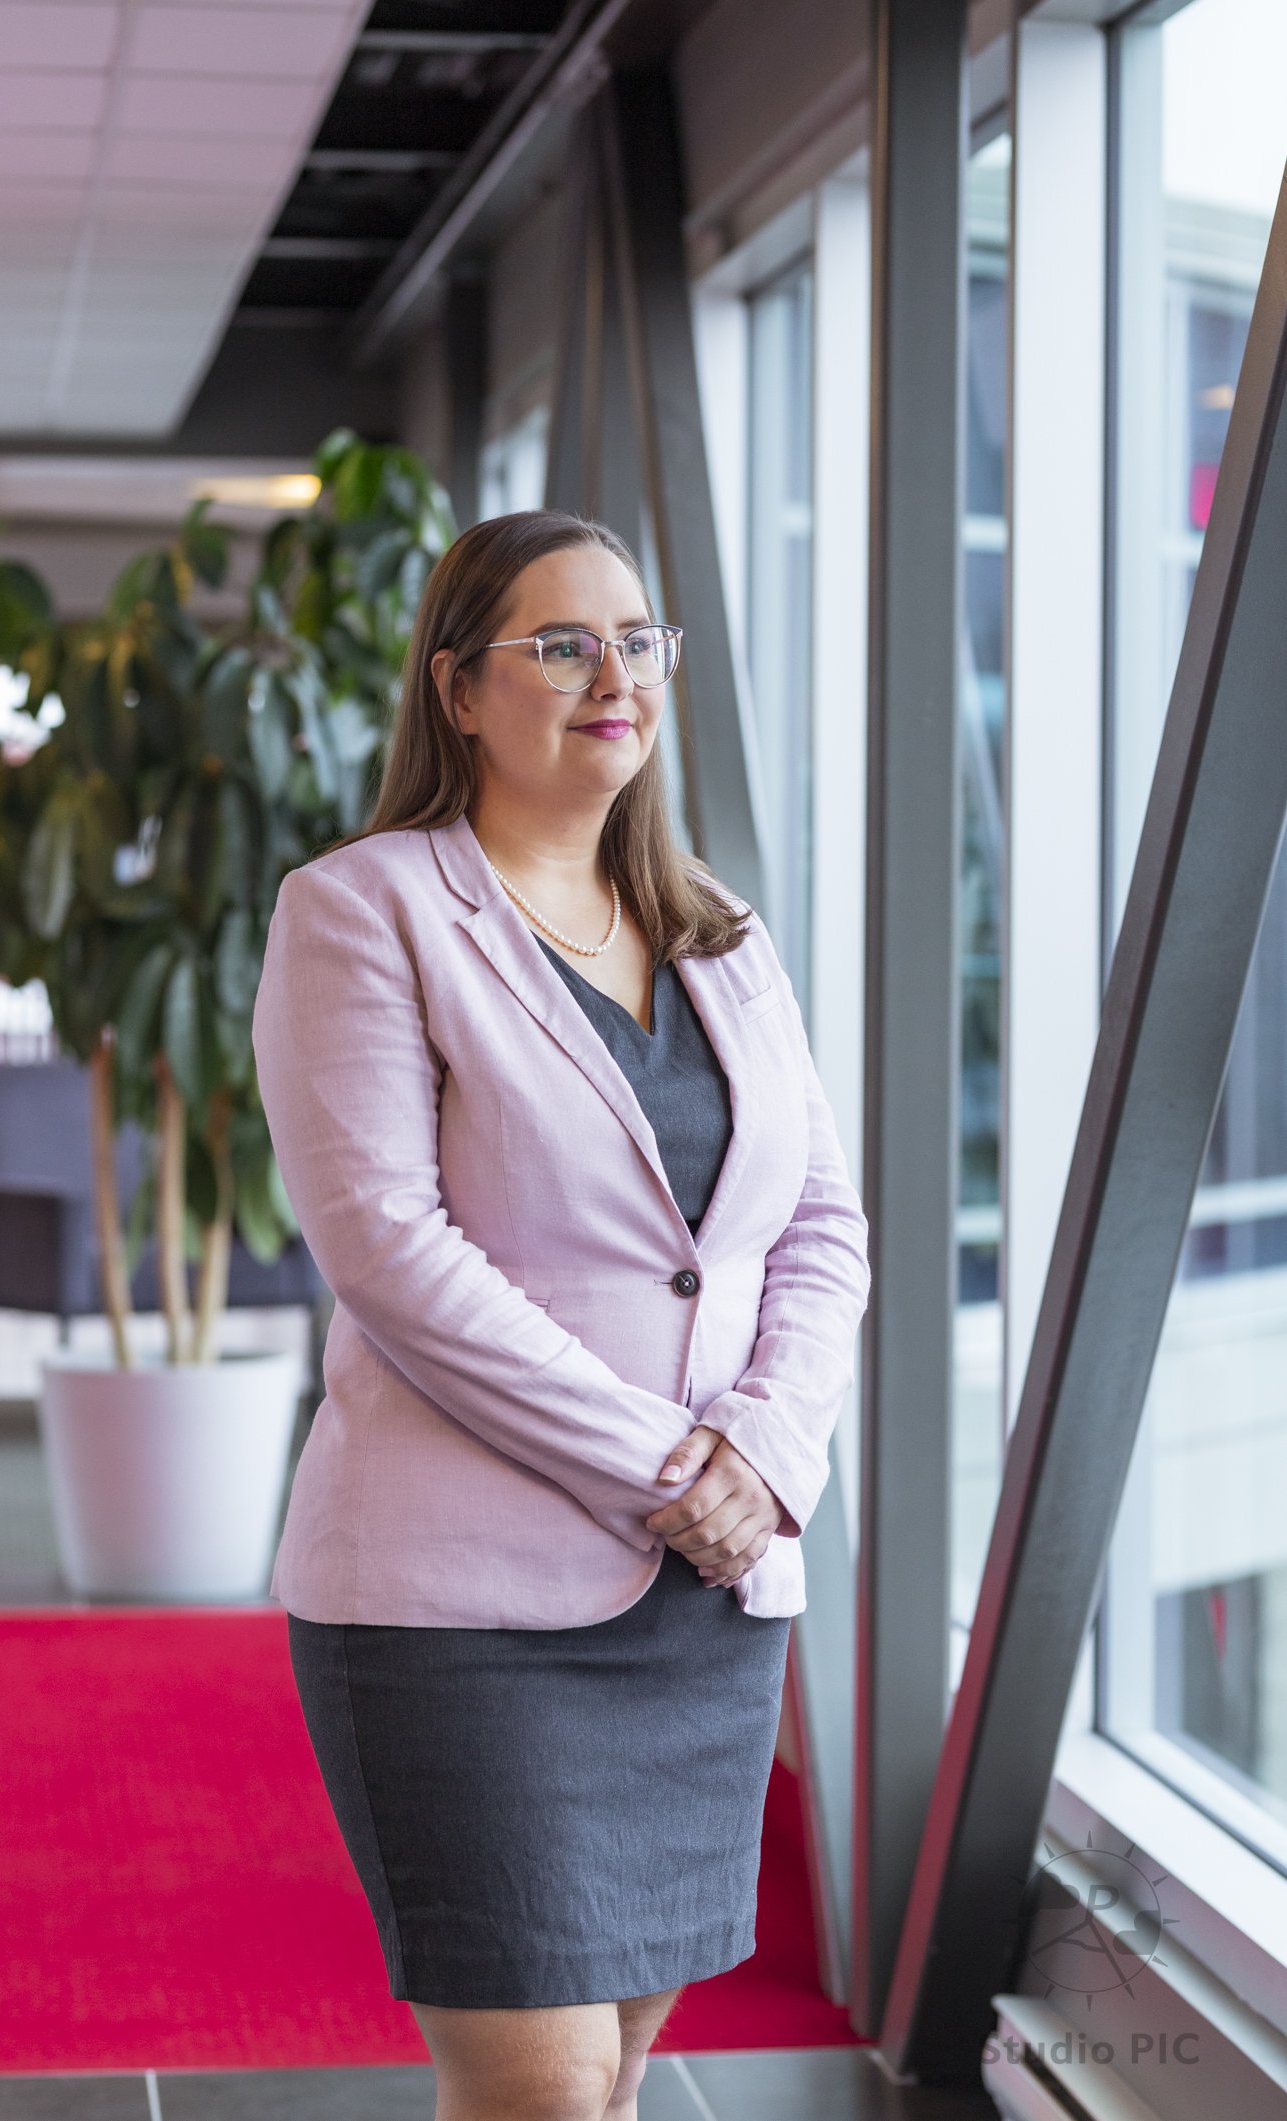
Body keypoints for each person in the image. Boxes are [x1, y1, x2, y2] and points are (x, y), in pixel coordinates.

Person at [251, 510, 870, 2121]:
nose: (617, 674)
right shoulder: (362, 908)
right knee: (536, 2088)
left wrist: (759, 1447)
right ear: (458, 689)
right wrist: (673, 1464)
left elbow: (818, 1228)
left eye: (640, 638)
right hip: (459, 1607)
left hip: (707, 1597)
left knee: (605, 2086)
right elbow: (394, 1253)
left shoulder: (718, 934)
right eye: (562, 642)